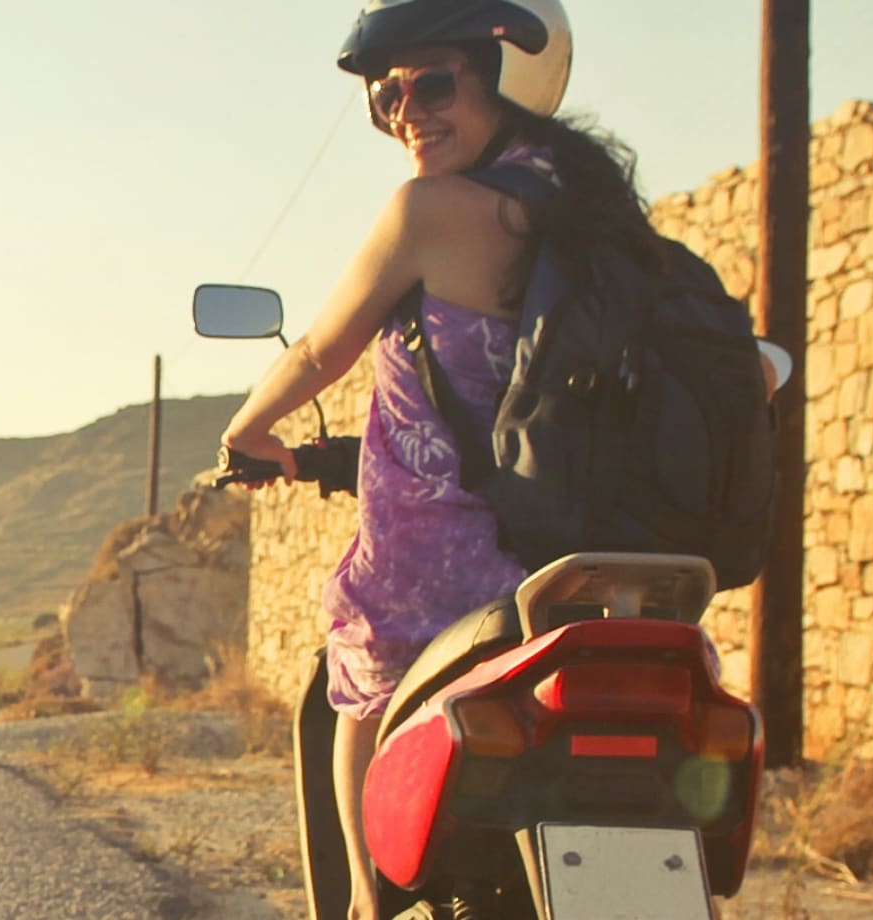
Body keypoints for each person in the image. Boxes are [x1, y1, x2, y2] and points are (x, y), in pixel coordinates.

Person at [211, 0, 689, 914]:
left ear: (504, 75)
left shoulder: (430, 210)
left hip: (452, 568)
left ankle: (363, 901)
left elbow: (318, 350)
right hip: (589, 553)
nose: (406, 113)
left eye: (434, 83)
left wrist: (249, 435)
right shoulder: (607, 221)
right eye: (387, 97)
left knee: (358, 676)